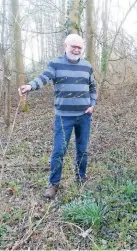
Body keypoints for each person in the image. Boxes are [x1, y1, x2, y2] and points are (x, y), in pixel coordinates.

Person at [18, 34, 97, 198]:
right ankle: (53, 184)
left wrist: (92, 104)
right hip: (64, 117)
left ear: (82, 49)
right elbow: (43, 78)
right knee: (59, 151)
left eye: (79, 47)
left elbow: (92, 87)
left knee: (82, 150)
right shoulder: (56, 64)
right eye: (73, 46)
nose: (76, 49)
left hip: (84, 117)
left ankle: (81, 178)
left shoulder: (87, 66)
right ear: (65, 45)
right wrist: (30, 86)